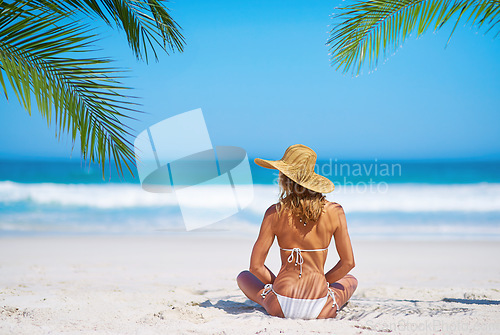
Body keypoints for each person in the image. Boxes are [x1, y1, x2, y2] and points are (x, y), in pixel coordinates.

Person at [237, 144, 358, 319]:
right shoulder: (335, 211)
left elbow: (255, 267)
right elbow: (348, 263)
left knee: (244, 276)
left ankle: (271, 295)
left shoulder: (274, 212)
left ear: (285, 178)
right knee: (351, 280)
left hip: (280, 303)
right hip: (321, 306)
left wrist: (276, 283)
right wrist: (323, 282)